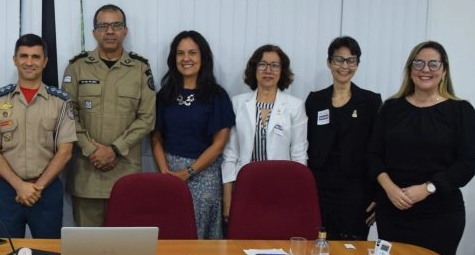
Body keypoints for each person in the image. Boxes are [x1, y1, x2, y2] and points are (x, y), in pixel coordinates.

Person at [368, 41, 475, 255]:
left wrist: (427, 188)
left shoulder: (461, 111)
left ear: (444, 70)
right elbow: (373, 155)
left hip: (440, 215)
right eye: (418, 63)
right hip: (393, 212)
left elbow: (468, 163)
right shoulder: (391, 108)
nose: (425, 70)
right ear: (410, 69)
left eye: (433, 64)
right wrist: (389, 189)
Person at [61, 4, 156, 226]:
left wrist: (114, 149)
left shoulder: (140, 69)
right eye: (103, 26)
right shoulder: (77, 67)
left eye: (116, 25)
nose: (110, 31)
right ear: (94, 32)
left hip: (125, 174)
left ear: (125, 30)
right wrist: (92, 149)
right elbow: (67, 114)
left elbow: (147, 118)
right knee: (89, 248)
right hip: (87, 174)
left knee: (124, 250)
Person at [0, 34, 77, 238]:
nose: (29, 62)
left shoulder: (60, 101)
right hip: (6, 190)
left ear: (45, 61)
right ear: (14, 59)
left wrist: (36, 187)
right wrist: (20, 186)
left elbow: (65, 151)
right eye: (23, 56)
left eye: (35, 57)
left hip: (46, 190)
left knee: (50, 254)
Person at [151, 31, 235, 239]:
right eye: (180, 53)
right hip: (168, 172)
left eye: (192, 53)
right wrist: (165, 173)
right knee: (170, 232)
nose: (186, 59)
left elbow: (219, 144)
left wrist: (187, 172)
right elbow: (155, 138)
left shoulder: (217, 95)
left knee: (198, 238)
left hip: (203, 174)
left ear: (203, 57)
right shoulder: (164, 95)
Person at [305, 37, 381, 240]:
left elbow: (379, 149)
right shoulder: (315, 100)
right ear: (329, 62)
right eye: (339, 59)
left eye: (351, 60)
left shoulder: (371, 102)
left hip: (356, 190)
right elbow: (305, 144)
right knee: (317, 247)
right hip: (319, 188)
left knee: (351, 251)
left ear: (357, 64)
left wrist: (378, 194)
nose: (344, 66)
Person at [222, 44, 308, 223]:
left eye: (275, 65)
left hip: (281, 187)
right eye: (262, 64)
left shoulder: (295, 106)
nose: (268, 70)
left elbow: (299, 156)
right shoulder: (237, 104)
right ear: (254, 69)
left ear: (282, 71)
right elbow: (230, 155)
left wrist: (298, 194)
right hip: (245, 186)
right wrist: (228, 199)